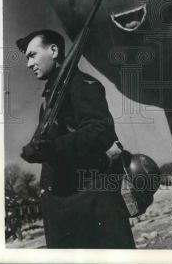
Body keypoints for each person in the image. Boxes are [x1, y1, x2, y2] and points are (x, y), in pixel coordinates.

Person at [16, 29, 135, 249]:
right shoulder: (50, 98)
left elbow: (100, 131)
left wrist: (52, 148)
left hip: (89, 201)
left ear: (53, 50)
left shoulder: (81, 84)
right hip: (64, 202)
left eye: (32, 55)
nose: (28, 64)